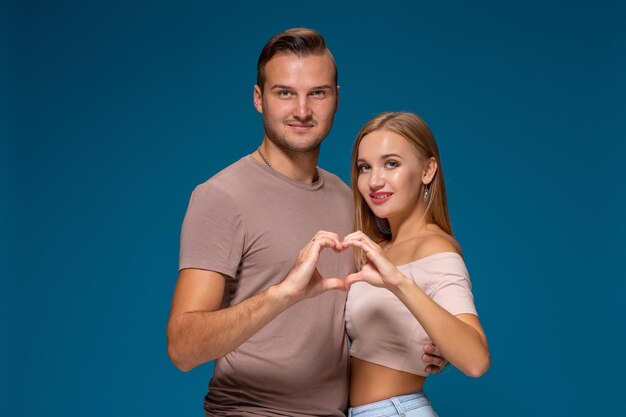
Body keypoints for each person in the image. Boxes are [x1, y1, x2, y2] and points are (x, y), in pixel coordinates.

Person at [166, 29, 445, 416]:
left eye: (317, 92)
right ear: (259, 99)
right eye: (284, 93)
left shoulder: (349, 198)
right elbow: (183, 347)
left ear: (335, 99)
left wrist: (424, 345)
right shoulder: (221, 196)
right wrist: (282, 295)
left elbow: (356, 314)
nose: (302, 110)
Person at [341, 112, 490, 416]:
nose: (374, 180)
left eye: (391, 164)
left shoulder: (435, 247)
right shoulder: (378, 249)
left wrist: (399, 283)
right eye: (364, 167)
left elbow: (476, 360)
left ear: (427, 170)